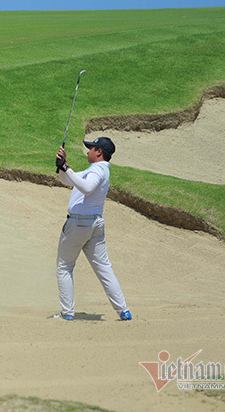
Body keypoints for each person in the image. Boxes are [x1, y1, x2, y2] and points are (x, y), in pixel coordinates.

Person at [54, 137, 132, 321]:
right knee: (104, 268)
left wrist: (67, 168)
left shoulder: (97, 169)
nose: (88, 151)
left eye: (91, 148)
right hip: (95, 225)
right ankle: (123, 311)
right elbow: (69, 181)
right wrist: (61, 166)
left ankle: (67, 313)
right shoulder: (98, 170)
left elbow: (87, 188)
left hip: (79, 225)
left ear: (99, 152)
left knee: (64, 267)